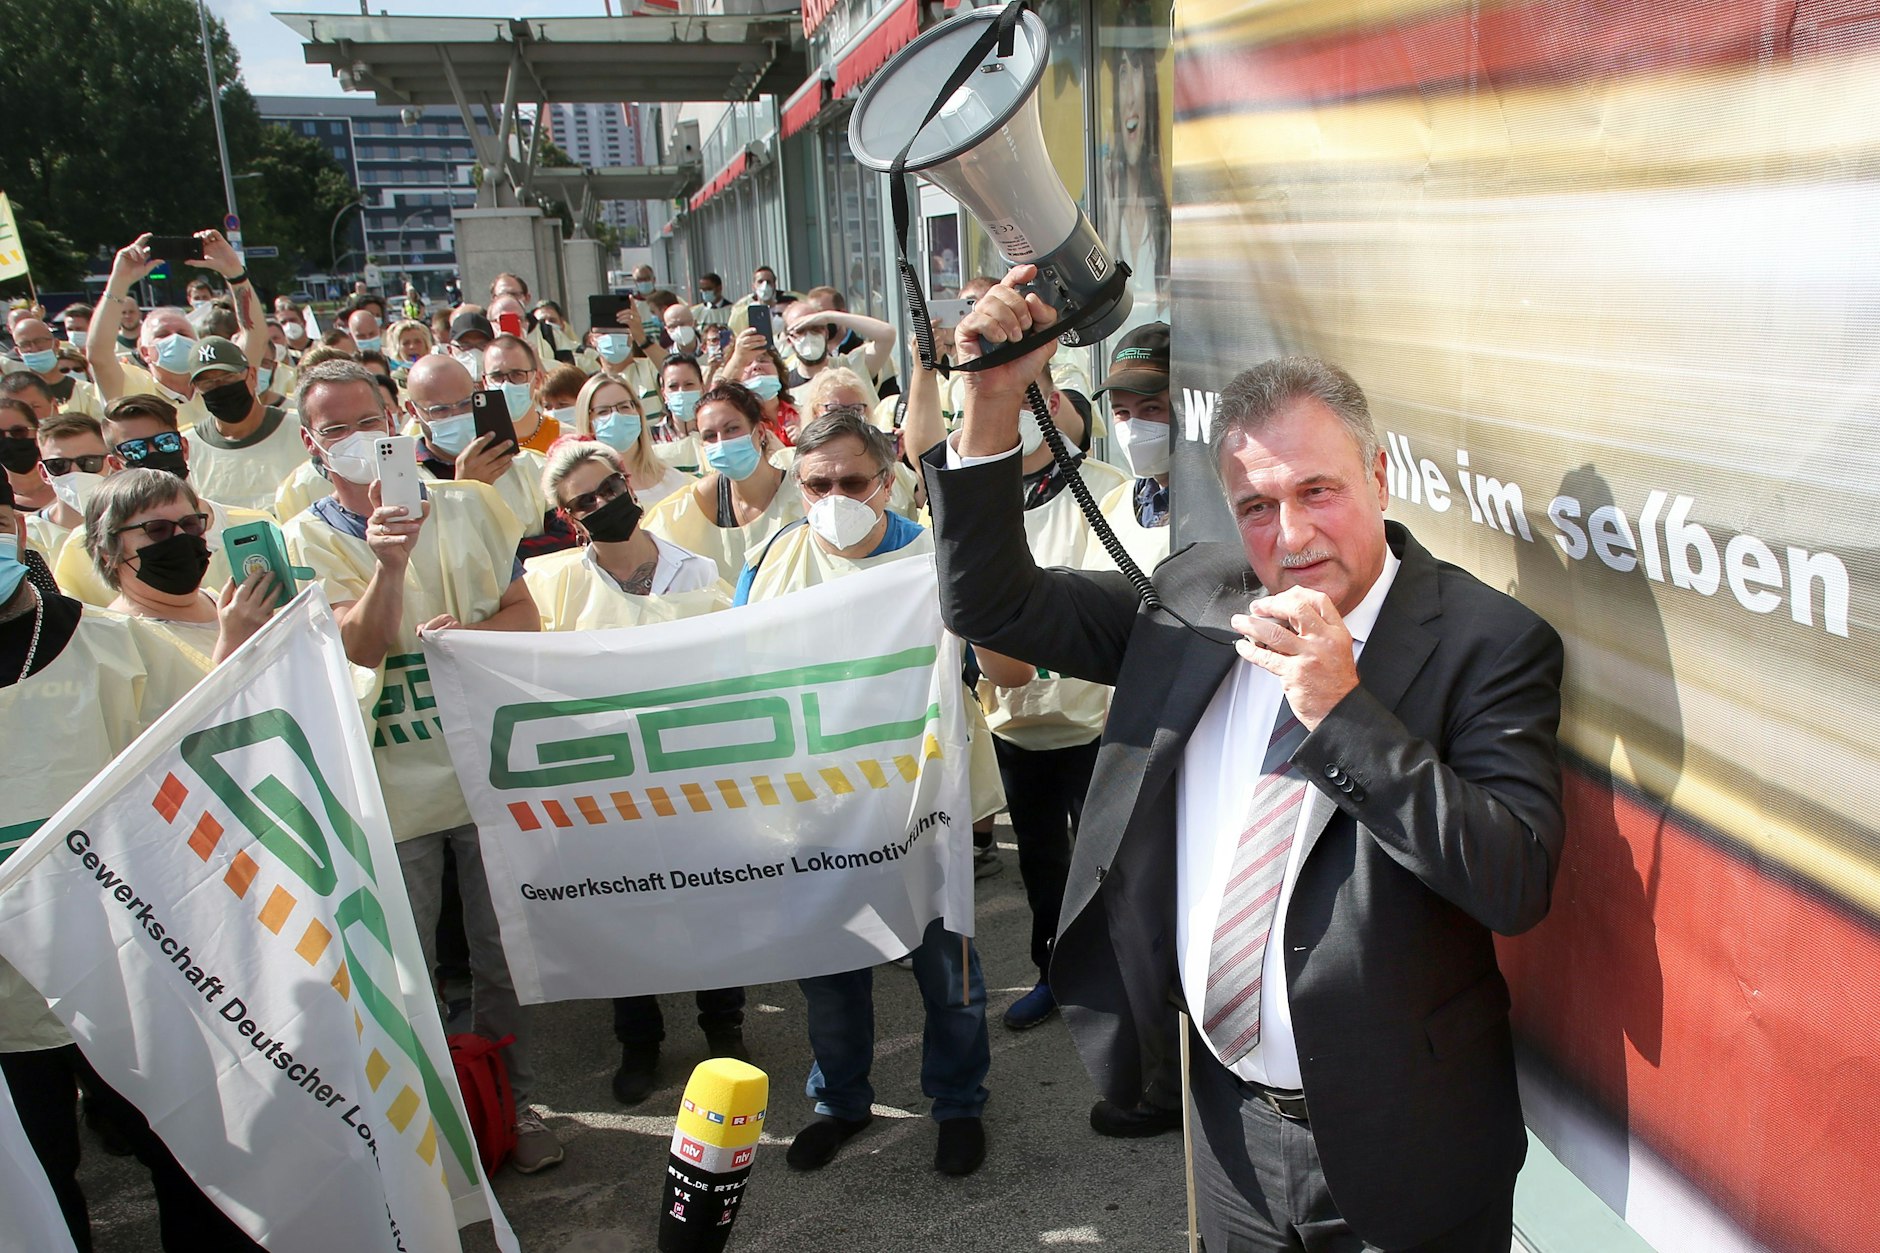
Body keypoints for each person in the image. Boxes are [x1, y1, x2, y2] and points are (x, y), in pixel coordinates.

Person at [928, 267, 1566, 1251]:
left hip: (1405, 1150)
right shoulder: (1198, 591)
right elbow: (994, 606)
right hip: (1224, 1124)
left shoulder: (1486, 641)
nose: (1293, 534)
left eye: (1318, 490)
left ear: (1379, 474)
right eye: (1258, 505)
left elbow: (1513, 876)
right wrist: (991, 399)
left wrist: (1342, 710)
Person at [281, 360, 563, 1173]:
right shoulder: (301, 537)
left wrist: (465, 639)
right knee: (402, 966)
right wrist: (390, 565)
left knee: (498, 954)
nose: (359, 439)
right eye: (336, 429)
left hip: (483, 773)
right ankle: (432, 1121)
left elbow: (524, 613)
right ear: (312, 446)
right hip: (381, 792)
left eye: (370, 419)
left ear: (398, 419)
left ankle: (516, 1100)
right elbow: (350, 649)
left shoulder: (471, 507)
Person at [0, 475, 268, 1253]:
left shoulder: (120, 647)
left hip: (137, 961)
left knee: (188, 1159)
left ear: (19, 528)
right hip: (8, 1005)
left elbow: (215, 767)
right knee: (38, 1182)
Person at [733, 409, 990, 1177]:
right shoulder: (776, 554)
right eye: (817, 483)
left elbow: (983, 663)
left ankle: (958, 1102)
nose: (834, 496)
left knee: (948, 973)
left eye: (853, 481)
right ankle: (840, 1102)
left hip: (921, 799)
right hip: (817, 807)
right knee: (831, 972)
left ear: (888, 481)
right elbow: (739, 669)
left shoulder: (936, 557)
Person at [523, 442, 743, 1102]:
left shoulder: (698, 570)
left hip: (690, 770)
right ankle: (638, 1040)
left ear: (627, 482)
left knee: (708, 896)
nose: (599, 504)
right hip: (605, 782)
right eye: (581, 502)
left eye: (605, 487)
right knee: (620, 903)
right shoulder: (553, 583)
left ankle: (723, 1028)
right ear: (569, 518)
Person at [956, 376, 1127, 1031]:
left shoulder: (1103, 486)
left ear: (1055, 403)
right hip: (1015, 723)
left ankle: (1116, 983)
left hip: (1097, 721)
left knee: (1109, 864)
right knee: (1041, 863)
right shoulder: (981, 495)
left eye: (1028, 399)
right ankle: (1051, 972)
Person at [53, 394, 272, 607]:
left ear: (184, 447)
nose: (153, 453)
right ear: (116, 464)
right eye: (135, 450)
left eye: (165, 443)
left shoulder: (254, 525)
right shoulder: (82, 548)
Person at [81, 469, 277, 664]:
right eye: (158, 529)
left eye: (190, 524)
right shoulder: (120, 642)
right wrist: (232, 646)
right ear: (109, 553)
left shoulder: (221, 603)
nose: (181, 536)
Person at [404, 353, 578, 560]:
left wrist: (500, 559)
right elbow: (435, 565)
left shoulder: (526, 464)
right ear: (413, 411)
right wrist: (466, 489)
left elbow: (569, 535)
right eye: (440, 410)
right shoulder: (406, 482)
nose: (456, 415)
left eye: (465, 404)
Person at [92, 231, 266, 431]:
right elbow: (99, 354)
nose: (174, 338)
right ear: (144, 351)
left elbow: (255, 337)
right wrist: (119, 281)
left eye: (183, 333)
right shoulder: (131, 386)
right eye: (162, 334)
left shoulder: (221, 384)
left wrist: (235, 273)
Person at [642, 381, 803, 585]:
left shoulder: (801, 484)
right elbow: (652, 544)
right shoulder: (702, 500)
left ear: (760, 432)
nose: (722, 442)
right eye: (710, 436)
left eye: (732, 429)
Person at [169, 337, 307, 515]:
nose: (220, 388)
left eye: (228, 378)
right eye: (208, 383)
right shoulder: (188, 447)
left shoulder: (301, 430)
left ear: (252, 376)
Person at [569, 372, 694, 508]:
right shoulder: (585, 498)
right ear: (587, 422)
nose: (616, 416)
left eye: (624, 407)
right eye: (603, 411)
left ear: (638, 412)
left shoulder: (677, 481)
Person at [784, 288, 895, 407]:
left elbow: (887, 334)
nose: (809, 336)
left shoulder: (850, 366)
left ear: (826, 332)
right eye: (800, 331)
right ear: (789, 340)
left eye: (815, 328)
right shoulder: (785, 386)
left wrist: (828, 317)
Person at [29, 413, 110, 562]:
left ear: (112, 463)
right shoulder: (29, 537)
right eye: (59, 465)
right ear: (44, 473)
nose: (75, 473)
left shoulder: (136, 524)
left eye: (89, 462)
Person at [9, 318, 103, 417]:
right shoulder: (11, 396)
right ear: (18, 352)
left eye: (39, 341)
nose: (34, 348)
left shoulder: (86, 392)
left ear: (56, 345)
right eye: (25, 344)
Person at [714, 330, 798, 441]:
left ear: (778, 370)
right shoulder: (737, 426)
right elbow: (715, 402)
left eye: (763, 360)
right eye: (747, 364)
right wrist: (738, 358)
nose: (756, 366)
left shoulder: (802, 414)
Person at [482, 334, 559, 454]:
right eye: (497, 377)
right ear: (485, 382)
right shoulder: (478, 446)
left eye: (517, 374)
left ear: (537, 379)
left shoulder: (565, 436)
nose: (506, 384)